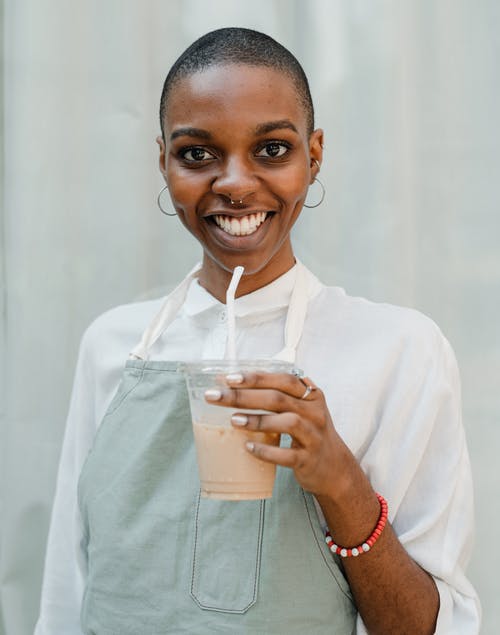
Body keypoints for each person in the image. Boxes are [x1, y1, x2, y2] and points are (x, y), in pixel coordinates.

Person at [35, 27, 480, 634]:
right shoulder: (112, 345)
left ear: (313, 155)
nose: (236, 183)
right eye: (197, 154)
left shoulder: (400, 352)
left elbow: (429, 628)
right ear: (163, 159)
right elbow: (68, 591)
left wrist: (341, 483)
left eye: (271, 149)